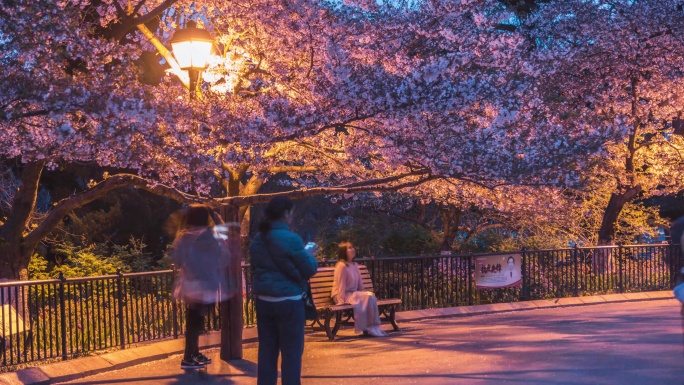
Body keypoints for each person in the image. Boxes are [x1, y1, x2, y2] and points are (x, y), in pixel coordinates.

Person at [249, 196, 318, 385]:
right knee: (291, 354)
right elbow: (309, 269)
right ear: (286, 214)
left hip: (264, 301)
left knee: (267, 352)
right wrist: (309, 254)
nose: (292, 217)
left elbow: (257, 268)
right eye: (291, 213)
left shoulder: (257, 240)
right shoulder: (291, 239)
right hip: (289, 301)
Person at [169, 204, 236, 370]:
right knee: (196, 322)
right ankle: (189, 356)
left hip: (190, 285)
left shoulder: (183, 237)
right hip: (207, 284)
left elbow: (176, 259)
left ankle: (193, 353)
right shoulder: (211, 236)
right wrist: (215, 215)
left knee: (194, 321)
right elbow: (224, 251)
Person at [331, 241, 388, 337]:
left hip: (353, 294)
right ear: (343, 252)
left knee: (370, 295)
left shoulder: (354, 265)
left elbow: (360, 285)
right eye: (349, 248)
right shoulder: (341, 266)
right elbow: (341, 285)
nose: (352, 249)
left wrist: (364, 295)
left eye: (352, 247)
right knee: (367, 297)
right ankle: (369, 326)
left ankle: (374, 326)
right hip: (342, 295)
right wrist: (341, 301)